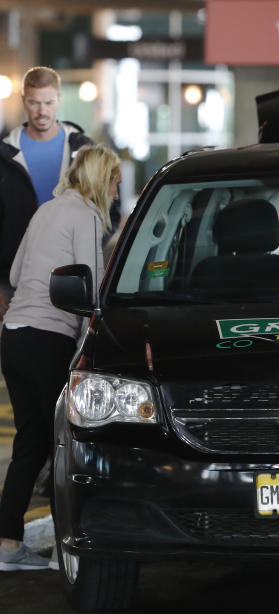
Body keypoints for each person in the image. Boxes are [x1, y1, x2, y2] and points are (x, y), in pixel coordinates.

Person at [0, 144, 120, 570]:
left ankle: (9, 544)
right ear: (99, 179)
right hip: (49, 340)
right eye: (114, 180)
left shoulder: (44, 211)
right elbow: (90, 293)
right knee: (65, 445)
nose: (117, 190)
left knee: (30, 444)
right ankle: (65, 552)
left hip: (14, 336)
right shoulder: (85, 216)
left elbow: (14, 276)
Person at [0, 66, 114, 313]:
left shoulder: (83, 151)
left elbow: (110, 208)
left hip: (71, 275)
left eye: (49, 102)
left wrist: (86, 247)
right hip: (13, 278)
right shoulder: (4, 155)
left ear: (59, 100)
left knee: (69, 347)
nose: (42, 111)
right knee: (18, 345)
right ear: (23, 101)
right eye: (34, 102)